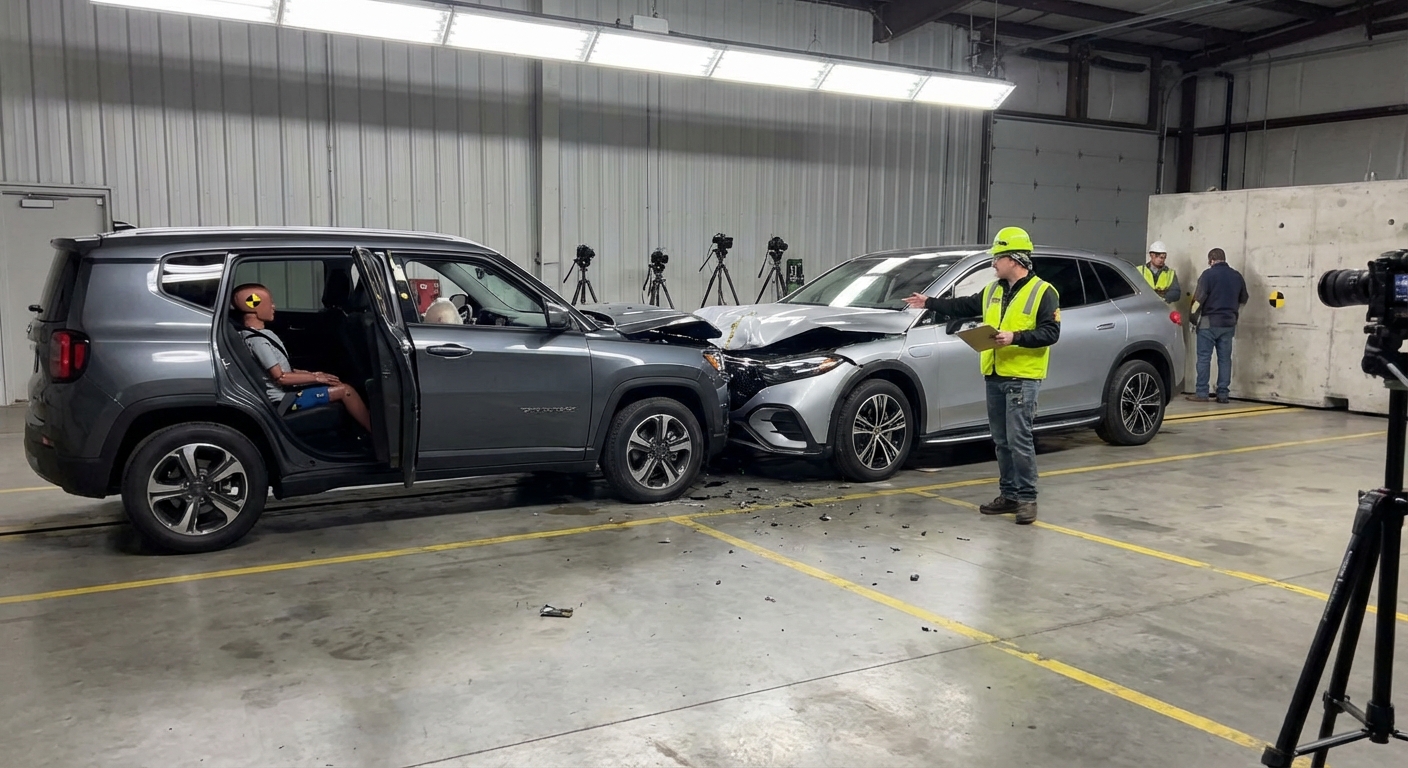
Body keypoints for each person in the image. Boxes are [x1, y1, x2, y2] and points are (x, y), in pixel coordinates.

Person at [903, 227, 1060, 525]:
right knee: (1001, 441)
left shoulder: (1043, 292)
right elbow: (962, 306)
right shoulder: (993, 290)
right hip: (995, 375)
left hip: (1022, 378)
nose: (993, 263)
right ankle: (1009, 495)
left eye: (997, 258)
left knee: (1019, 440)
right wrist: (929, 302)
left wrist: (1014, 337)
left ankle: (1027, 499)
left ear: (1014, 259)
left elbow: (1051, 332)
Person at [232, 283, 373, 432]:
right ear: (254, 306)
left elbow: (285, 369)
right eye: (270, 302)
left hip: (286, 393)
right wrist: (316, 378)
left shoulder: (255, 334)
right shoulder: (258, 341)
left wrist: (313, 374)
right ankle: (373, 431)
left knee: (337, 382)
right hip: (284, 400)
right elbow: (281, 377)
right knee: (345, 390)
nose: (273, 306)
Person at [1186, 248, 1248, 404]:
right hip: (1228, 323)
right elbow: (1244, 298)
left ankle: (1202, 393)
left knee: (1204, 358)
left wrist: (1192, 320)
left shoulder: (1207, 275)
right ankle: (1223, 394)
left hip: (1208, 322)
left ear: (1211, 260)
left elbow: (1198, 301)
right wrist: (1233, 314)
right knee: (1225, 359)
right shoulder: (1236, 276)